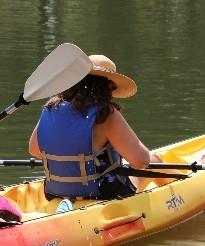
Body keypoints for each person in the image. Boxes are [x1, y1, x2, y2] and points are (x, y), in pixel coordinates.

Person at [27, 54, 161, 200]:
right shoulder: (105, 113)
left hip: (55, 194)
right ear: (108, 86)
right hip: (102, 195)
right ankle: (176, 197)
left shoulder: (51, 108)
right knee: (155, 159)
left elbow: (34, 150)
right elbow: (141, 161)